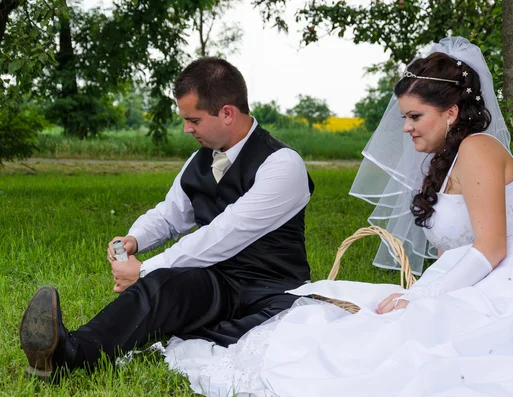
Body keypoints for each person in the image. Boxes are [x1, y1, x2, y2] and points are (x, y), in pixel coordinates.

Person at [159, 37, 513, 397]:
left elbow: (491, 247)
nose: (405, 127)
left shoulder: (477, 148)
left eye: (415, 116)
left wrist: (424, 297)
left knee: (404, 341)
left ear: (451, 112)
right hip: (478, 274)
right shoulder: (443, 159)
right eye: (405, 116)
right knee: (348, 317)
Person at [19, 57, 315, 381]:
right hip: (218, 285)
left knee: (163, 280)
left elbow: (224, 233)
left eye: (194, 120)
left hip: (270, 291)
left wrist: (144, 268)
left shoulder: (283, 165)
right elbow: (170, 215)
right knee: (163, 286)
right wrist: (135, 240)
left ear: (227, 113)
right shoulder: (198, 159)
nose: (187, 129)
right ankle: (69, 353)